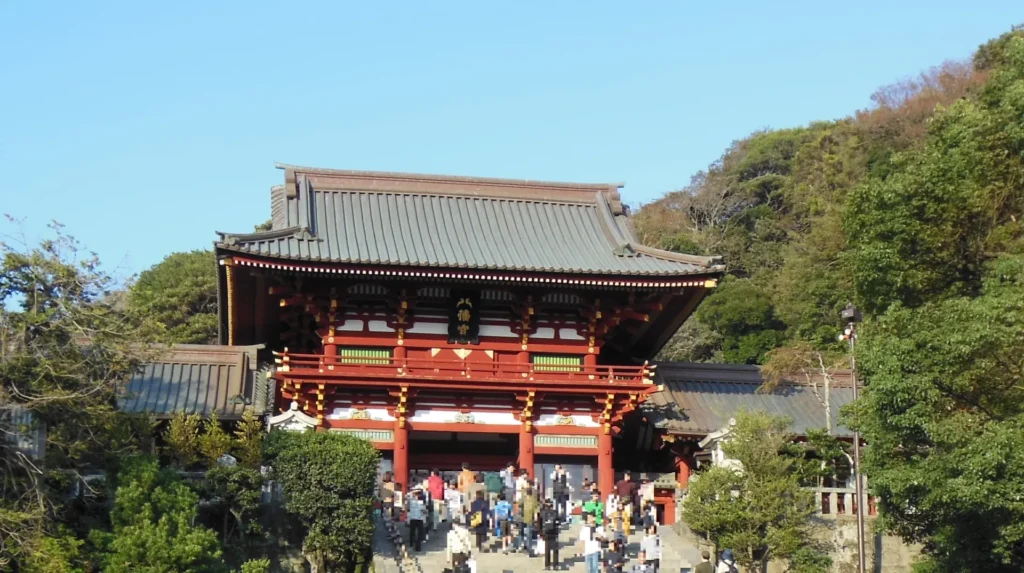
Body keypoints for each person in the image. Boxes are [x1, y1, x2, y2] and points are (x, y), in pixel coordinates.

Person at [539, 498, 561, 570]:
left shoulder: (542, 512)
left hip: (546, 532)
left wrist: (540, 532)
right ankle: (555, 565)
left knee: (547, 549)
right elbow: (558, 522)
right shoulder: (555, 512)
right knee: (555, 549)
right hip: (554, 532)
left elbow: (539, 523)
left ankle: (547, 565)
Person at [520, 485, 539, 556]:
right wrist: (536, 520)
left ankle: (524, 546)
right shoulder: (534, 500)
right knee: (529, 534)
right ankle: (529, 548)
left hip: (523, 518)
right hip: (530, 518)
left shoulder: (524, 499)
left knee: (523, 533)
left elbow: (519, 504)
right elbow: (536, 511)